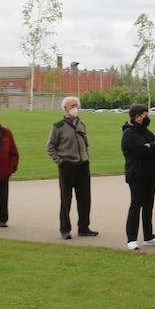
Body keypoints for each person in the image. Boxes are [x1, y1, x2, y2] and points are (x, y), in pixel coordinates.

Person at [46, 96, 97, 239]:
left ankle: (84, 227)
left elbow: (85, 143)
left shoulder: (82, 124)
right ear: (65, 108)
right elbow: (50, 146)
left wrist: (86, 157)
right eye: (71, 106)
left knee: (85, 198)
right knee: (66, 198)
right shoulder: (58, 126)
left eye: (76, 105)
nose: (74, 108)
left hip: (83, 166)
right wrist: (60, 161)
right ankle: (65, 229)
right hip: (67, 166)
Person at [121, 103, 155, 250]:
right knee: (136, 205)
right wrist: (153, 146)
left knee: (148, 206)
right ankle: (131, 238)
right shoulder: (129, 133)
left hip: (150, 174)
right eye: (145, 116)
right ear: (137, 116)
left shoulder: (146, 131)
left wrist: (152, 145)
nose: (147, 118)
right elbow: (141, 151)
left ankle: (149, 236)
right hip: (136, 174)